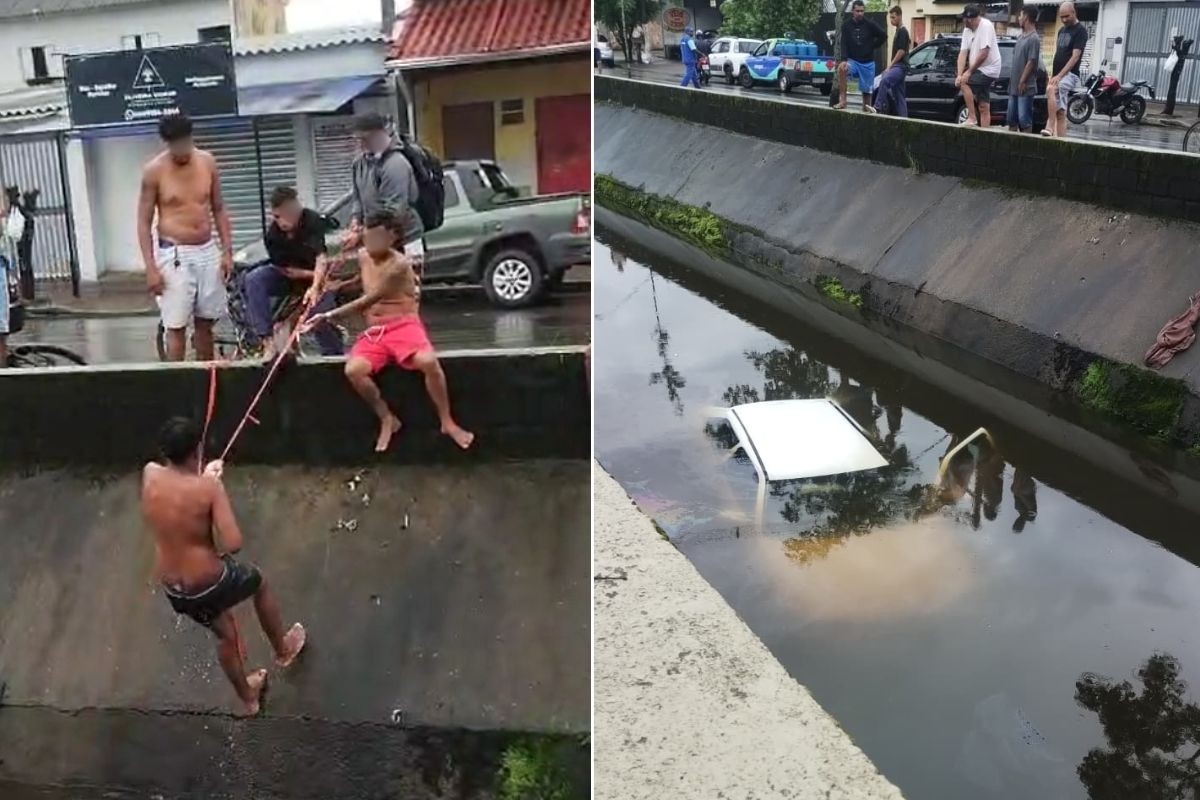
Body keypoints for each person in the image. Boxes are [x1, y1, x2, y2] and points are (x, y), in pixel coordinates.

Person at [142, 417, 306, 716]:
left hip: (173, 588)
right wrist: (212, 487)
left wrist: (204, 477)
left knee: (225, 634)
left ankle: (249, 698)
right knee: (258, 582)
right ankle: (283, 650)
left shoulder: (149, 474)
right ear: (197, 450)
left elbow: (176, 490)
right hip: (207, 583)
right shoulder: (208, 490)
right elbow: (233, 542)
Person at [303, 210, 474, 453]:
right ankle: (386, 417)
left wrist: (329, 316)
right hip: (376, 332)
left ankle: (447, 421)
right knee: (354, 370)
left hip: (403, 326)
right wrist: (331, 287)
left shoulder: (399, 265)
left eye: (377, 239)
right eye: (368, 238)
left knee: (428, 361)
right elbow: (361, 282)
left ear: (392, 238)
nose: (370, 245)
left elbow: (370, 297)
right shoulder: (363, 256)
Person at [138, 113, 234, 362]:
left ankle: (206, 382)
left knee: (206, 323)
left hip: (206, 249)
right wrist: (150, 268)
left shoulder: (207, 162)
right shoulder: (154, 171)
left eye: (185, 143)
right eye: (175, 145)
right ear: (167, 144)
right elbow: (143, 222)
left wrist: (227, 252)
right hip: (174, 253)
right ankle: (176, 383)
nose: (182, 150)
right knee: (176, 325)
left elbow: (219, 208)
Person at [243, 186, 344, 358]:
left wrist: (315, 285)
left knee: (318, 312)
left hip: (316, 275)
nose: (282, 221)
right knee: (254, 278)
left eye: (287, 215)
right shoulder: (273, 235)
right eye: (277, 216)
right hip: (289, 276)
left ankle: (333, 354)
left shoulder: (311, 220)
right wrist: (311, 277)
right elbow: (286, 270)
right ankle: (266, 339)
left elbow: (321, 258)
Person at [344, 113, 426, 268]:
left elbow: (395, 211)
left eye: (364, 139)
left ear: (378, 134)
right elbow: (357, 198)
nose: (360, 144)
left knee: (407, 290)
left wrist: (363, 233)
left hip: (405, 239)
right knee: (380, 288)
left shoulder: (395, 164)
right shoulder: (359, 163)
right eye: (358, 139)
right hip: (378, 240)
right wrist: (356, 221)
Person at [1044, 2, 1087, 138]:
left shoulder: (1080, 30)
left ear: (1074, 13)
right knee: (1061, 112)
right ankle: (1062, 141)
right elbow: (1059, 54)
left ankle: (1050, 126)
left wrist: (1060, 76)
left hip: (1070, 74)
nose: (1064, 20)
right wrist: (1054, 75)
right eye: (1061, 17)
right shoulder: (1062, 30)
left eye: (1067, 16)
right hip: (1058, 74)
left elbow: (1075, 57)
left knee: (1051, 90)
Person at [955, 4, 1003, 127]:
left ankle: (972, 117)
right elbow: (963, 53)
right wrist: (959, 74)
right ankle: (985, 134)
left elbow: (984, 53)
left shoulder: (986, 26)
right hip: (979, 69)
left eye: (964, 19)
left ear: (969, 19)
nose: (963, 21)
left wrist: (968, 73)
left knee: (964, 83)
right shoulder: (967, 30)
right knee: (983, 106)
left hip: (990, 69)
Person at [838, 1, 888, 111]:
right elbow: (843, 43)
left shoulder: (870, 24)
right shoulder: (846, 26)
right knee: (841, 68)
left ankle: (866, 114)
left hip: (867, 63)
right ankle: (843, 100)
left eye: (862, 11)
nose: (860, 13)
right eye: (857, 11)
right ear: (852, 11)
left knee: (867, 95)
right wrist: (844, 59)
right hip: (853, 61)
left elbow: (883, 35)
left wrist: (872, 46)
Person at [867, 6, 911, 116]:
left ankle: (877, 107)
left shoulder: (903, 31)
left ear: (900, 16)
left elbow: (901, 52)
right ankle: (904, 120)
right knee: (899, 96)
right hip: (900, 66)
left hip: (900, 66)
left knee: (884, 80)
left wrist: (890, 66)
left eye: (893, 17)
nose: (891, 20)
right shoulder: (898, 31)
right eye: (890, 18)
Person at [1009, 6, 1043, 133]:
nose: (1019, 18)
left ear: (1026, 17)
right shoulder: (1020, 37)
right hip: (1013, 86)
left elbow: (1032, 61)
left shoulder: (1034, 38)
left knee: (1024, 120)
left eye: (1020, 15)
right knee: (1011, 119)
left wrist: (1022, 81)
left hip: (1025, 87)